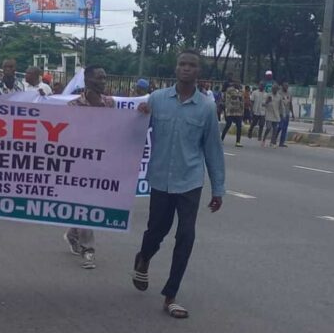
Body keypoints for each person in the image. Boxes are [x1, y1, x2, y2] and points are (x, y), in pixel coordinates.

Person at [133, 50, 225, 319]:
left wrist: (218, 189)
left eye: (192, 65)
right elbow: (134, 131)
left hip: (190, 181)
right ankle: (144, 258)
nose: (186, 69)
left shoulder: (207, 107)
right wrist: (139, 113)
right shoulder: (157, 100)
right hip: (161, 179)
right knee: (156, 231)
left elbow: (213, 150)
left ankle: (170, 295)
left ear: (199, 71)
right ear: (176, 68)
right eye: (182, 64)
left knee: (186, 235)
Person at [63, 65, 115, 270]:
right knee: (86, 203)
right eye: (99, 78)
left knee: (91, 204)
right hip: (80, 163)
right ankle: (88, 249)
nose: (103, 81)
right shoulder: (74, 106)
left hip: (102, 162)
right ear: (87, 81)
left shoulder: (110, 104)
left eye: (104, 78)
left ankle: (73, 233)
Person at [221, 81, 244, 147]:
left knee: (239, 126)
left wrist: (242, 111)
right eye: (237, 83)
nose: (238, 84)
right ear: (234, 83)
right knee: (228, 125)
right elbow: (232, 97)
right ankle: (221, 139)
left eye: (239, 83)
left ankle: (238, 142)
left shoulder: (240, 91)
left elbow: (242, 101)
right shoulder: (229, 90)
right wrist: (238, 96)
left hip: (238, 111)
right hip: (230, 111)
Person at [277, 82, 294, 148]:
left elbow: (290, 104)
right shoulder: (279, 93)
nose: (286, 87)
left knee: (285, 128)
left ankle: (281, 142)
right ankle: (274, 137)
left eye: (287, 86)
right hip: (280, 113)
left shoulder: (289, 94)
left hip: (286, 113)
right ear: (282, 86)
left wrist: (292, 113)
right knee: (280, 126)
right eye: (285, 86)